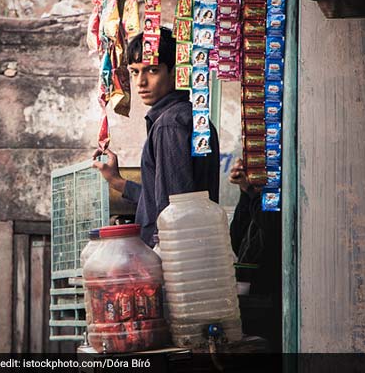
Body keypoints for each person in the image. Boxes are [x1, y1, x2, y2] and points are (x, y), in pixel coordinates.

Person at [92, 27, 220, 246]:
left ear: (174, 72)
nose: (141, 82)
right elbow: (158, 196)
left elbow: (175, 208)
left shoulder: (170, 125)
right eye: (134, 72)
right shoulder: (190, 117)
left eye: (152, 71)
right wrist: (117, 181)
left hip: (174, 259)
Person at [228, 158, 282, 351]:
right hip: (255, 296)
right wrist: (245, 191)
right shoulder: (256, 201)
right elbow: (237, 241)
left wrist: (252, 192)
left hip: (272, 296)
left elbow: (272, 228)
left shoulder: (275, 201)